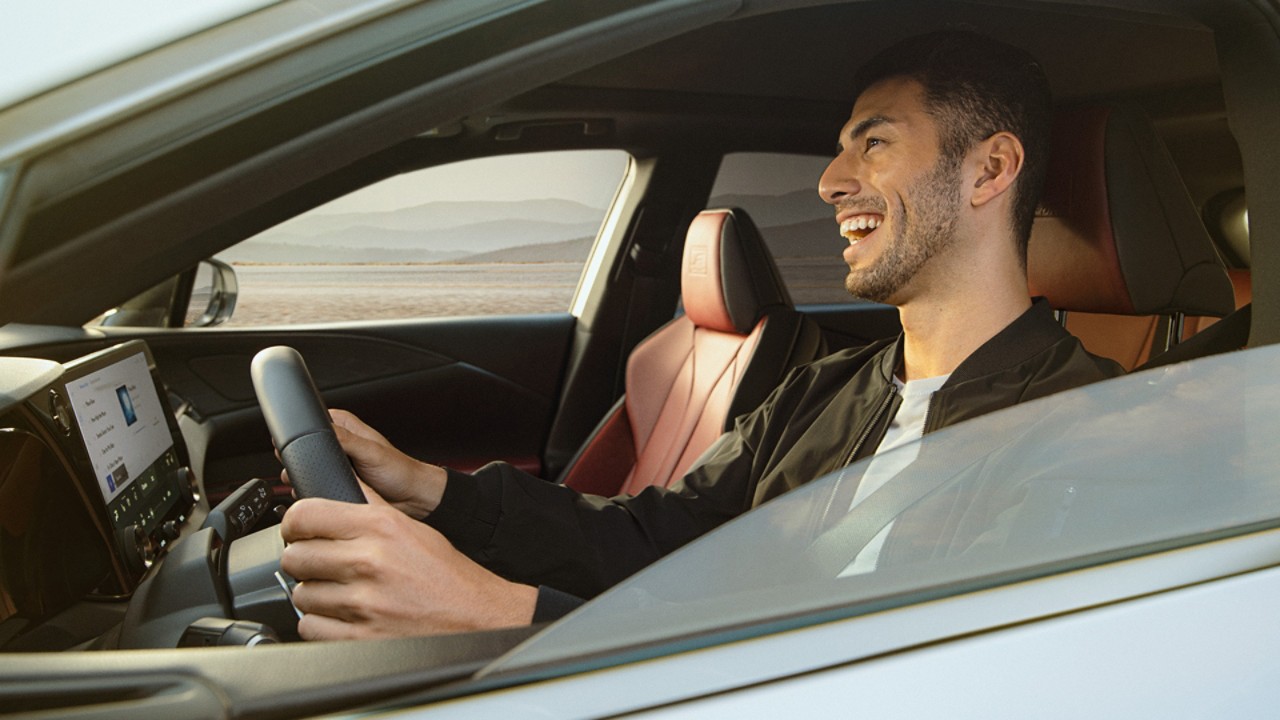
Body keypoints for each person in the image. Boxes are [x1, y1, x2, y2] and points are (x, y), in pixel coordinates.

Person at [278, 30, 1124, 640]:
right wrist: (434, 490)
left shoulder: (1084, 433)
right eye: (842, 150)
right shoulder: (823, 391)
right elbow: (656, 538)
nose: (832, 182)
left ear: (990, 169)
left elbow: (910, 684)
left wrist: (500, 614)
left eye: (875, 144)